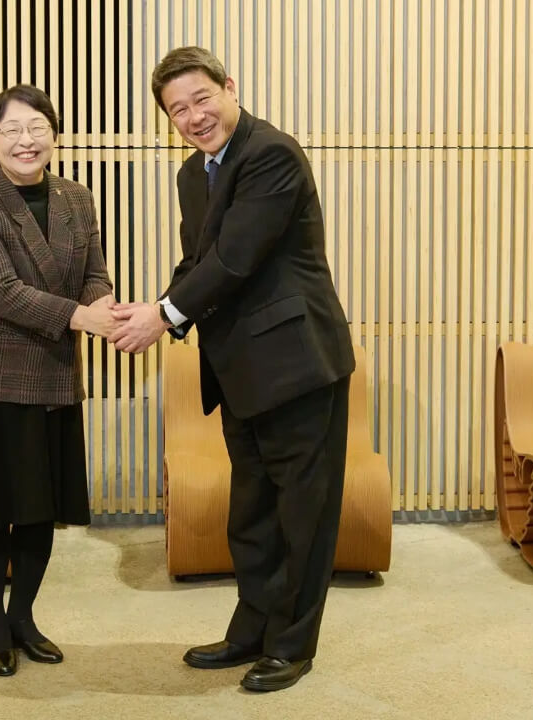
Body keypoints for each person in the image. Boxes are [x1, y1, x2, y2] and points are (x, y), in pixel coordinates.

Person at [110, 47, 355, 692]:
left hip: (298, 364)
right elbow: (201, 264)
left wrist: (161, 317)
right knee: (251, 512)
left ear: (230, 87)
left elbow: (239, 257)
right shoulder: (194, 174)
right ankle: (251, 629)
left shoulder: (272, 153)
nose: (193, 116)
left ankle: (293, 645)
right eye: (177, 109)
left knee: (303, 512)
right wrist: (151, 310)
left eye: (201, 98)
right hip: (240, 369)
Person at [0, 84, 117, 677]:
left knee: (41, 508)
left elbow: (93, 272)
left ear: (54, 134)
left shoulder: (76, 197)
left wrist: (107, 305)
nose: (26, 139)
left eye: (37, 126)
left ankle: (25, 616)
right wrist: (80, 317)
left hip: (53, 370)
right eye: (11, 129)